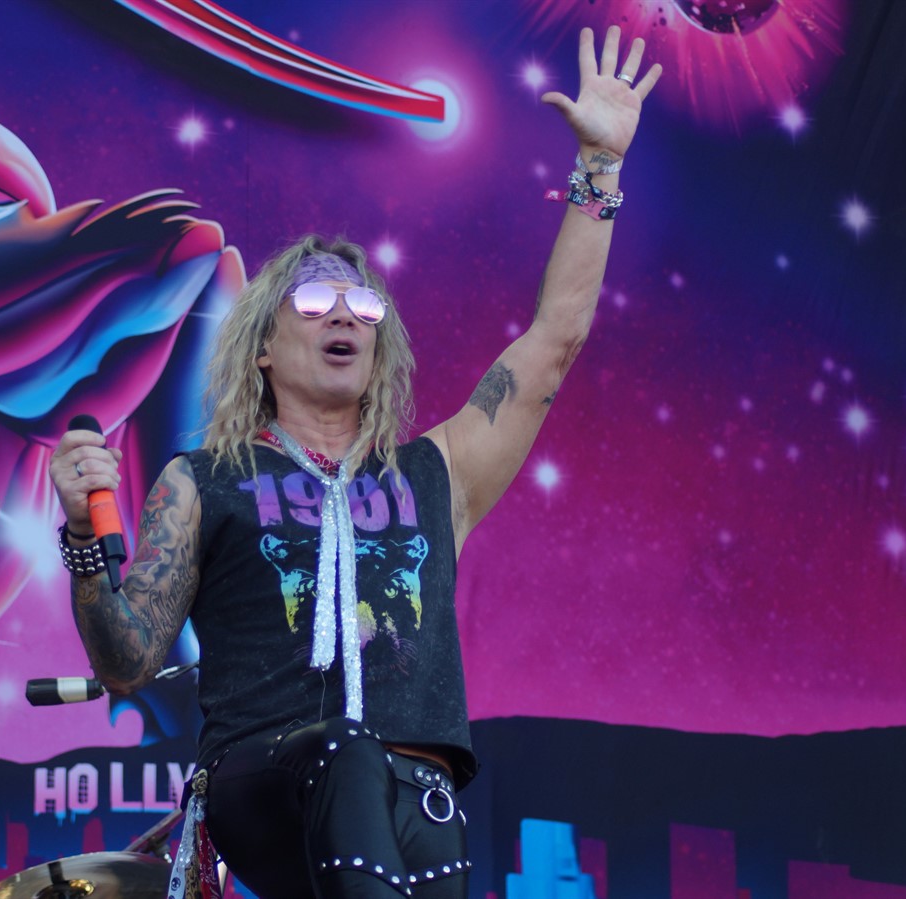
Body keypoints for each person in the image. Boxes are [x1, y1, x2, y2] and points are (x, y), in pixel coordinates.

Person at [46, 25, 661, 899]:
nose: (345, 313)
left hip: (414, 794)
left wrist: (599, 164)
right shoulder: (206, 479)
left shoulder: (435, 472)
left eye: (363, 303)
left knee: (406, 794)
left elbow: (554, 341)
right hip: (268, 782)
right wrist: (83, 537)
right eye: (315, 298)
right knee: (345, 751)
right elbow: (127, 659)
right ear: (262, 346)